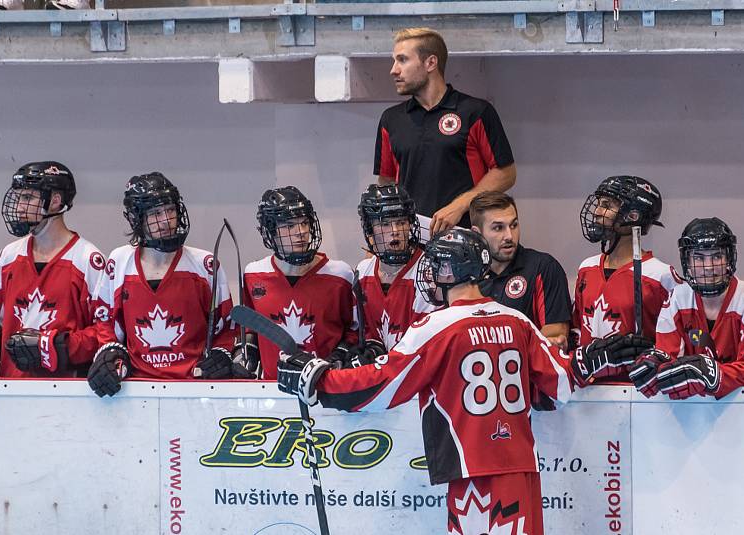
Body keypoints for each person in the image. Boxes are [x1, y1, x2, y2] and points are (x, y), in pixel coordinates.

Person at [276, 228, 651, 535]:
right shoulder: (516, 320)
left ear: (452, 272)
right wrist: (592, 358)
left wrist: (319, 379)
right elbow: (561, 382)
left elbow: (383, 384)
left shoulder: (436, 327)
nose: (431, 274)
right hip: (520, 467)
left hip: (473, 472)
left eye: (437, 265)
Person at [86, 172, 237, 397]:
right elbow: (105, 322)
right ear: (137, 219)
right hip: (135, 390)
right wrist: (110, 353)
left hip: (193, 389)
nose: (166, 221)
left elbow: (225, 326)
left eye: (170, 210)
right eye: (156, 213)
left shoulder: (205, 264)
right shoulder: (118, 262)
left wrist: (221, 354)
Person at [375, 27, 516, 234]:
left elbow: (506, 173)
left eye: (402, 60)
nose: (393, 69)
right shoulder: (391, 119)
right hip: (412, 244)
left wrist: (459, 206)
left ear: (431, 63)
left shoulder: (475, 112)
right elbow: (386, 181)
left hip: (467, 239)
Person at [0, 161, 103, 378]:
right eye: (19, 198)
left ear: (55, 201)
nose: (20, 207)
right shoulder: (8, 257)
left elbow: (105, 335)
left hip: (68, 397)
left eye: (27, 198)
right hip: (11, 390)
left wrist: (56, 347)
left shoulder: (88, 260)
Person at [629, 217, 744, 400]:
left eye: (717, 256)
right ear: (687, 261)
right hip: (691, 414)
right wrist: (655, 366)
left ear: (729, 258)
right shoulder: (676, 299)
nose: (709, 267)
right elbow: (668, 362)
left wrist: (711, 374)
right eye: (698, 257)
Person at [234, 186, 356, 380]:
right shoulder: (253, 274)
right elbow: (250, 329)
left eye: (304, 223)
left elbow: (356, 331)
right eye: (289, 226)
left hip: (325, 390)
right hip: (271, 393)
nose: (301, 232)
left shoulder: (340, 275)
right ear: (270, 232)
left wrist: (341, 356)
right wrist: (244, 355)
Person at [572, 175, 677, 381]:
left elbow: (675, 342)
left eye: (607, 205)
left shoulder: (660, 276)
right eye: (599, 204)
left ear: (633, 215)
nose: (597, 212)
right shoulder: (587, 268)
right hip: (587, 392)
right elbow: (576, 329)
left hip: (635, 394)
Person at [470, 191, 571, 349]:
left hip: (528, 372)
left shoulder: (543, 267)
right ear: (477, 234)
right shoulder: (466, 278)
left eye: (514, 225)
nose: (509, 236)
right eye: (498, 228)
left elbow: (556, 337)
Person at [352, 184, 438, 357]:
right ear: (370, 230)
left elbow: (424, 348)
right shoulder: (363, 272)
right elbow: (357, 333)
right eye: (385, 224)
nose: (395, 231)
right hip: (378, 377)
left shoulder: (429, 272)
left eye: (401, 222)